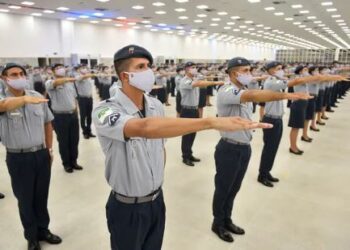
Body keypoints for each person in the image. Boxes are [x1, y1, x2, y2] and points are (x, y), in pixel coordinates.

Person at [92, 45, 272, 250]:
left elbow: (160, 145)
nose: (149, 71)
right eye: (141, 67)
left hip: (156, 201)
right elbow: (144, 127)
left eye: (149, 66)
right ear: (125, 75)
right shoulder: (104, 110)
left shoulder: (155, 105)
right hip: (127, 207)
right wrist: (209, 122)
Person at [212, 57, 312, 243]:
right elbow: (253, 96)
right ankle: (217, 223)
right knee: (223, 188)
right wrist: (287, 96)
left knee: (234, 188)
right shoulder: (226, 90)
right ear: (234, 73)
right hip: (229, 148)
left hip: (244, 147)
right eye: (246, 70)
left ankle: (227, 219)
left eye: (250, 70)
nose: (250, 74)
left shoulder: (242, 89)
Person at [0, 63, 62, 250]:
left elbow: (47, 124)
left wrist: (49, 149)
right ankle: (32, 236)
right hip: (18, 158)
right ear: (4, 78)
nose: (19, 77)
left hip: (41, 154)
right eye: (13, 74)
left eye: (21, 73)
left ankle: (44, 230)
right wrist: (24, 100)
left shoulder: (36, 97)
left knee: (41, 197)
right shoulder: (4, 99)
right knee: (25, 199)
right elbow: (3, 106)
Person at [179, 62, 225, 167]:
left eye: (195, 67)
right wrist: (215, 83)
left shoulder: (193, 79)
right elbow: (198, 84)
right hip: (187, 111)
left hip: (194, 110)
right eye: (192, 68)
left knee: (193, 133)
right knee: (187, 135)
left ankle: (189, 153)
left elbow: (202, 79)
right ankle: (185, 157)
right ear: (186, 69)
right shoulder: (184, 81)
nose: (195, 69)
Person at [45, 64, 83, 173]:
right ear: (52, 72)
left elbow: (74, 98)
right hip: (60, 116)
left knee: (74, 140)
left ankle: (74, 161)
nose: (60, 69)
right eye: (57, 68)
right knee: (63, 141)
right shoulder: (50, 82)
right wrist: (68, 78)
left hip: (73, 115)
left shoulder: (70, 83)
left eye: (61, 67)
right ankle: (66, 164)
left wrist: (76, 110)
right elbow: (56, 83)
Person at [75, 64, 97, 139]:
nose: (85, 69)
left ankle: (89, 131)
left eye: (85, 68)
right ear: (78, 70)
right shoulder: (77, 76)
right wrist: (92, 73)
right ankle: (84, 132)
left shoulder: (88, 77)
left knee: (89, 116)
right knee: (83, 116)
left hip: (89, 98)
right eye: (82, 68)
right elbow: (82, 77)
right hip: (82, 99)